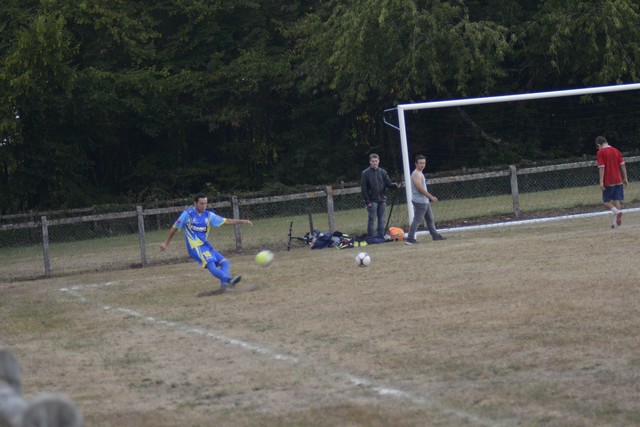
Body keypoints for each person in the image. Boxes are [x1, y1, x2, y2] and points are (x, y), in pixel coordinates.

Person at [160, 193, 252, 293]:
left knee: (225, 262)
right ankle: (229, 280)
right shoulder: (187, 214)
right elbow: (174, 228)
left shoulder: (208, 215)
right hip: (195, 247)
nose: (204, 206)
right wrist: (166, 243)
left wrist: (242, 221)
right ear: (195, 203)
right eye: (201, 203)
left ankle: (224, 286)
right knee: (211, 264)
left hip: (206, 245)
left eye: (205, 203)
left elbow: (226, 221)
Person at [405, 154, 446, 244]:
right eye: (420, 163)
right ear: (416, 164)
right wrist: (431, 197)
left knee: (430, 219)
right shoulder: (416, 174)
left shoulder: (420, 173)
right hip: (420, 201)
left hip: (424, 200)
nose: (422, 165)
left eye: (424, 163)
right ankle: (410, 238)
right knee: (417, 220)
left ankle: (435, 235)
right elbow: (420, 188)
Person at [360, 153, 401, 238]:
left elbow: (388, 184)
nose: (374, 163)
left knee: (381, 219)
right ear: (370, 162)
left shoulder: (383, 172)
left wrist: (395, 186)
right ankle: (371, 237)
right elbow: (364, 189)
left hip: (382, 199)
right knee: (372, 219)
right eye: (373, 161)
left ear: (379, 161)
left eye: (376, 161)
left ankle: (380, 236)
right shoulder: (365, 173)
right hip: (372, 200)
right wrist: (367, 201)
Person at [595, 136, 628, 228]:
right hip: (618, 180)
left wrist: (601, 182)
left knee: (606, 202)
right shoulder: (616, 150)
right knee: (616, 199)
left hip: (609, 181)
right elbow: (622, 165)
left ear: (599, 145)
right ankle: (615, 223)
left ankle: (617, 212)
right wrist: (625, 177)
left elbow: (602, 167)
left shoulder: (600, 152)